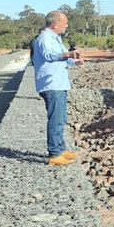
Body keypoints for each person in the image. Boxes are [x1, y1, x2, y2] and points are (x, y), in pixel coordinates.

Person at [33, 11, 84, 165]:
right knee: (55, 119)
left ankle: (61, 149)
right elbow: (50, 55)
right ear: (55, 24)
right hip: (51, 85)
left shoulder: (56, 39)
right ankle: (54, 154)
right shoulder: (45, 39)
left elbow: (63, 57)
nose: (66, 25)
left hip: (59, 83)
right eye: (65, 23)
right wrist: (68, 54)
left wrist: (75, 61)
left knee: (61, 118)